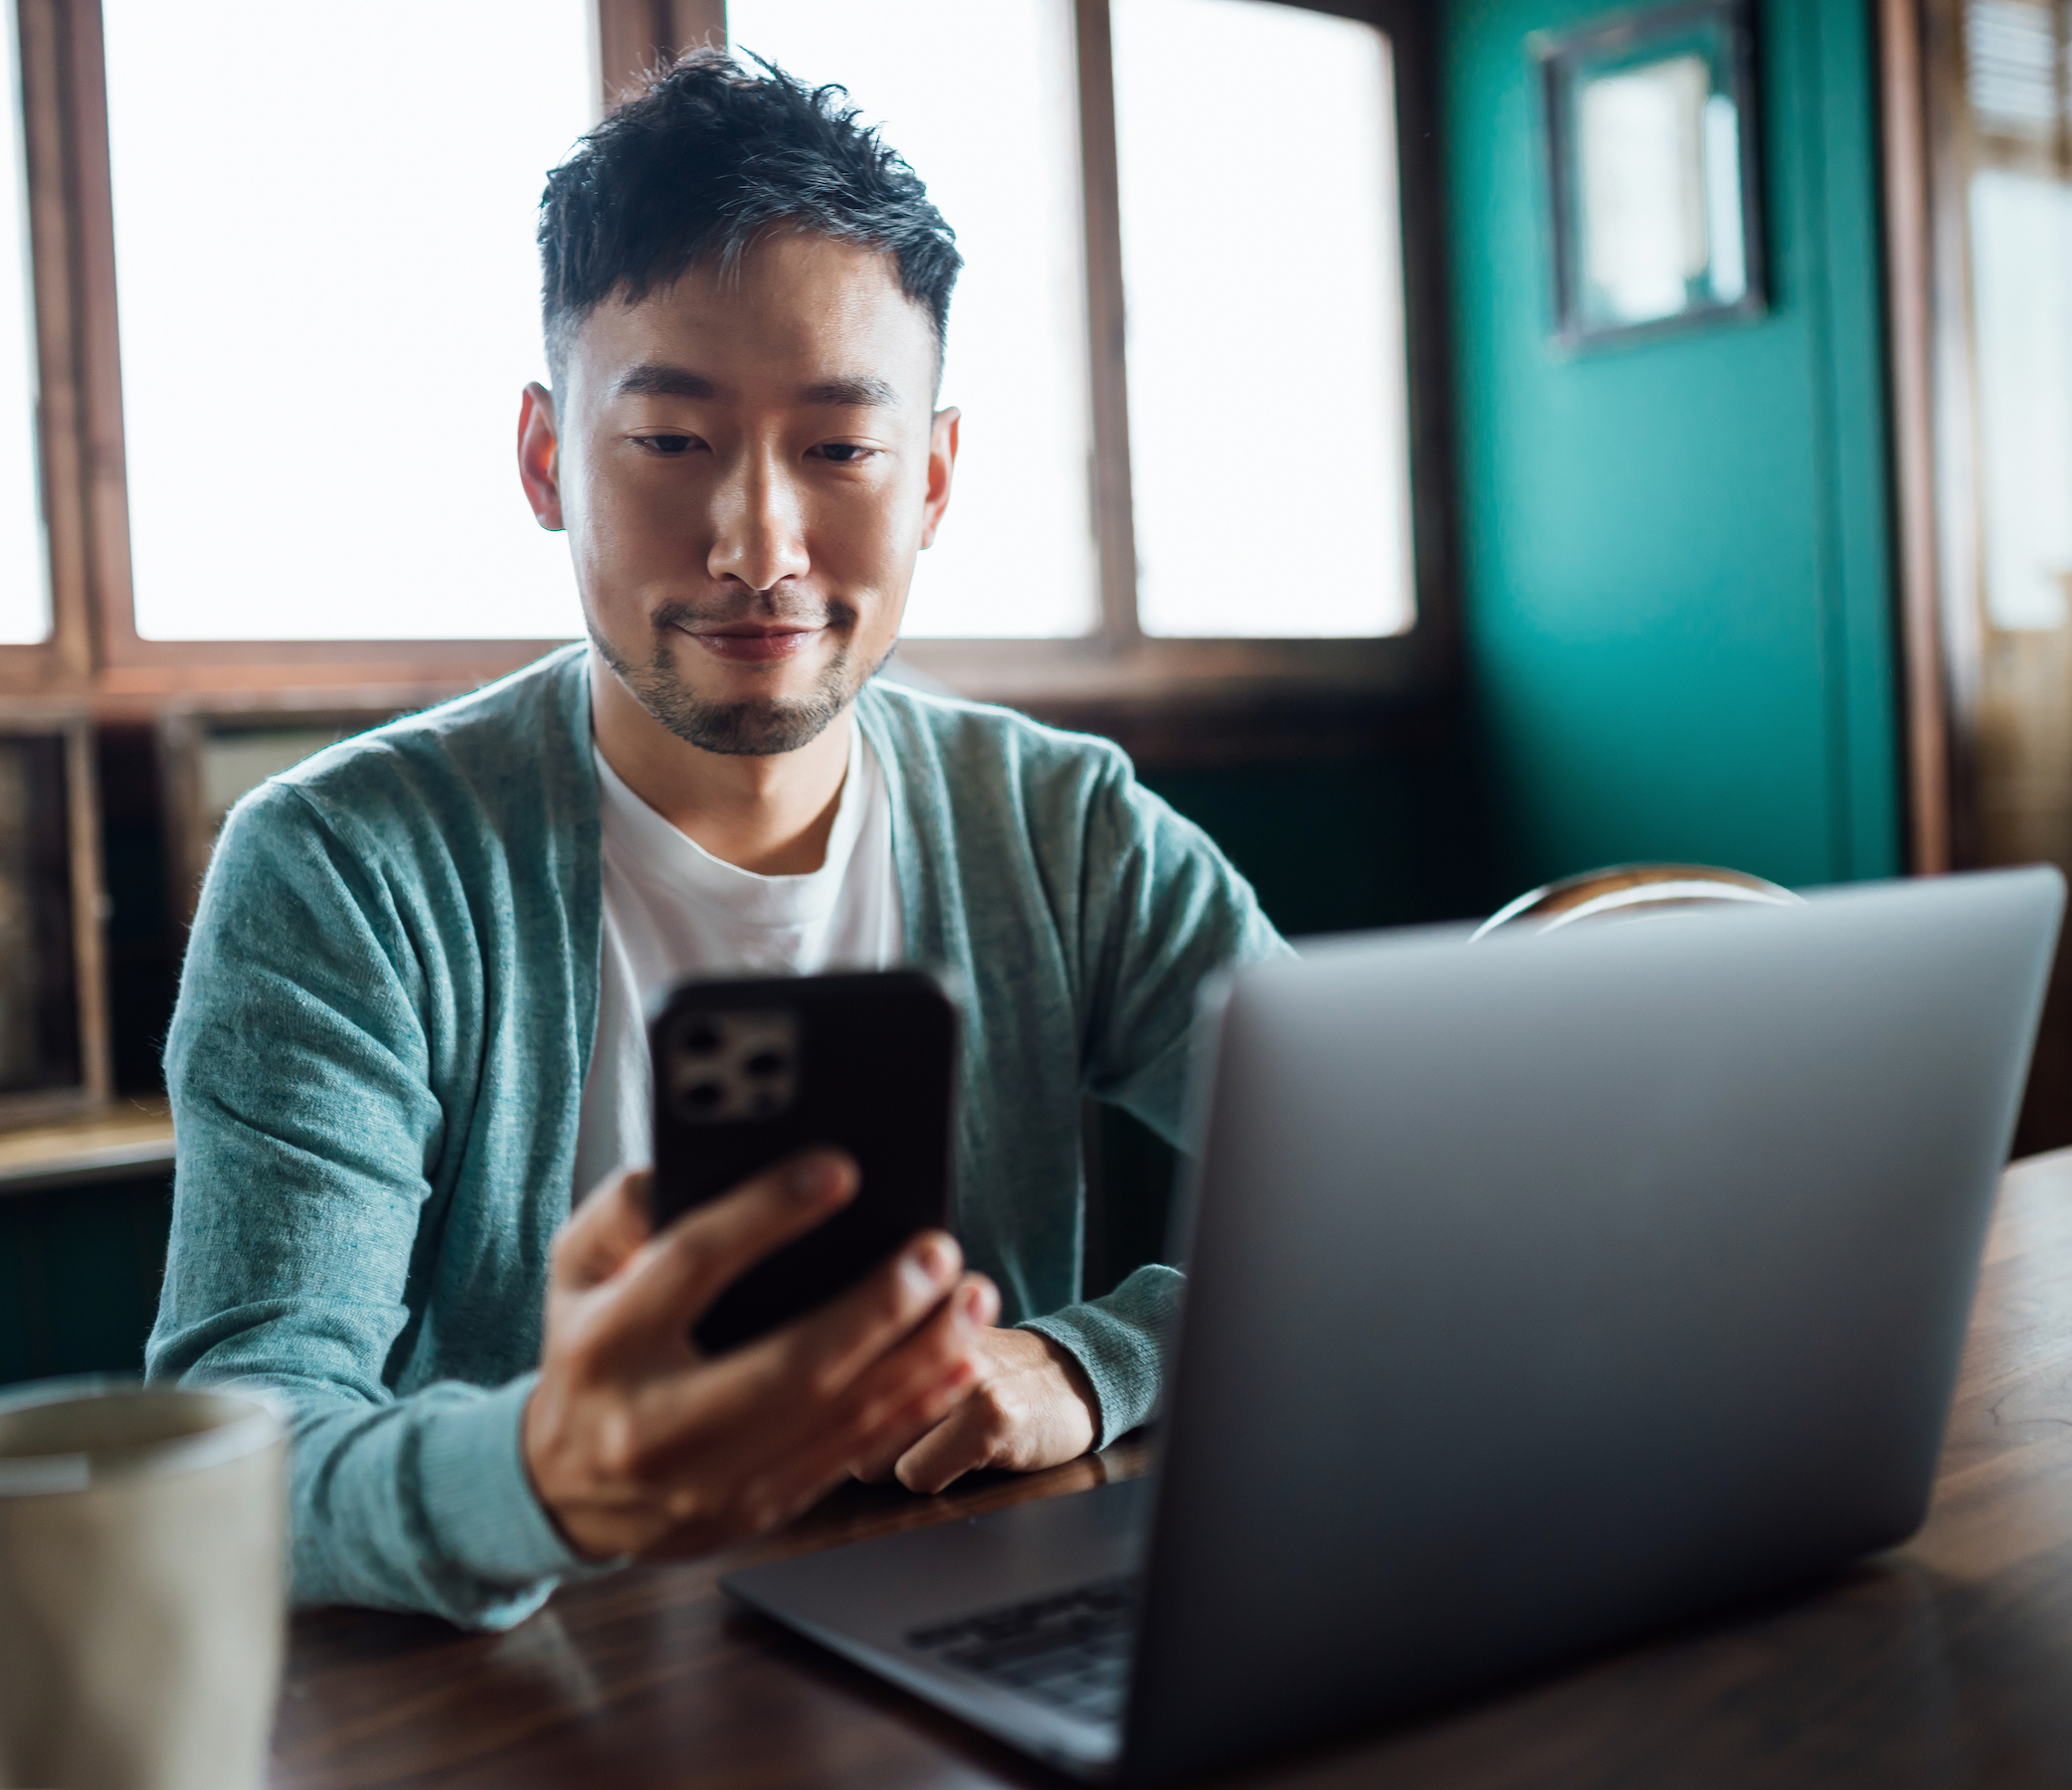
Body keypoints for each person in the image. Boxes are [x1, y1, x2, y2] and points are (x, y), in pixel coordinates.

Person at [148, 52, 1284, 1630]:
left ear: (936, 477)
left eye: (840, 449)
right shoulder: (343, 872)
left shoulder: (1062, 829)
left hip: (974, 1638)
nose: (759, 543)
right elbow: (240, 1453)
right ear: (548, 461)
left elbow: (1392, 1203)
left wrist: (1097, 1361)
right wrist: (544, 1477)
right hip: (524, 1697)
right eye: (673, 443)